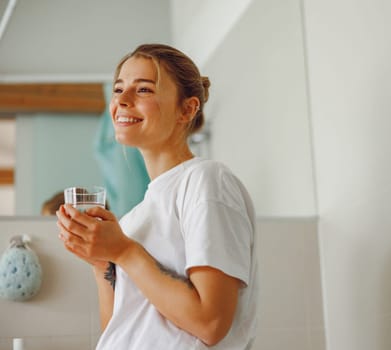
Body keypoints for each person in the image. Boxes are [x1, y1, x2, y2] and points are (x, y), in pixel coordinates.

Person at [56, 43, 258, 350]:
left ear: (187, 109)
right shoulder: (136, 217)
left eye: (144, 90)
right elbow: (120, 329)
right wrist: (102, 265)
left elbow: (211, 323)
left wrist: (124, 252)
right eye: (118, 89)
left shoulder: (205, 181)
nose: (121, 101)